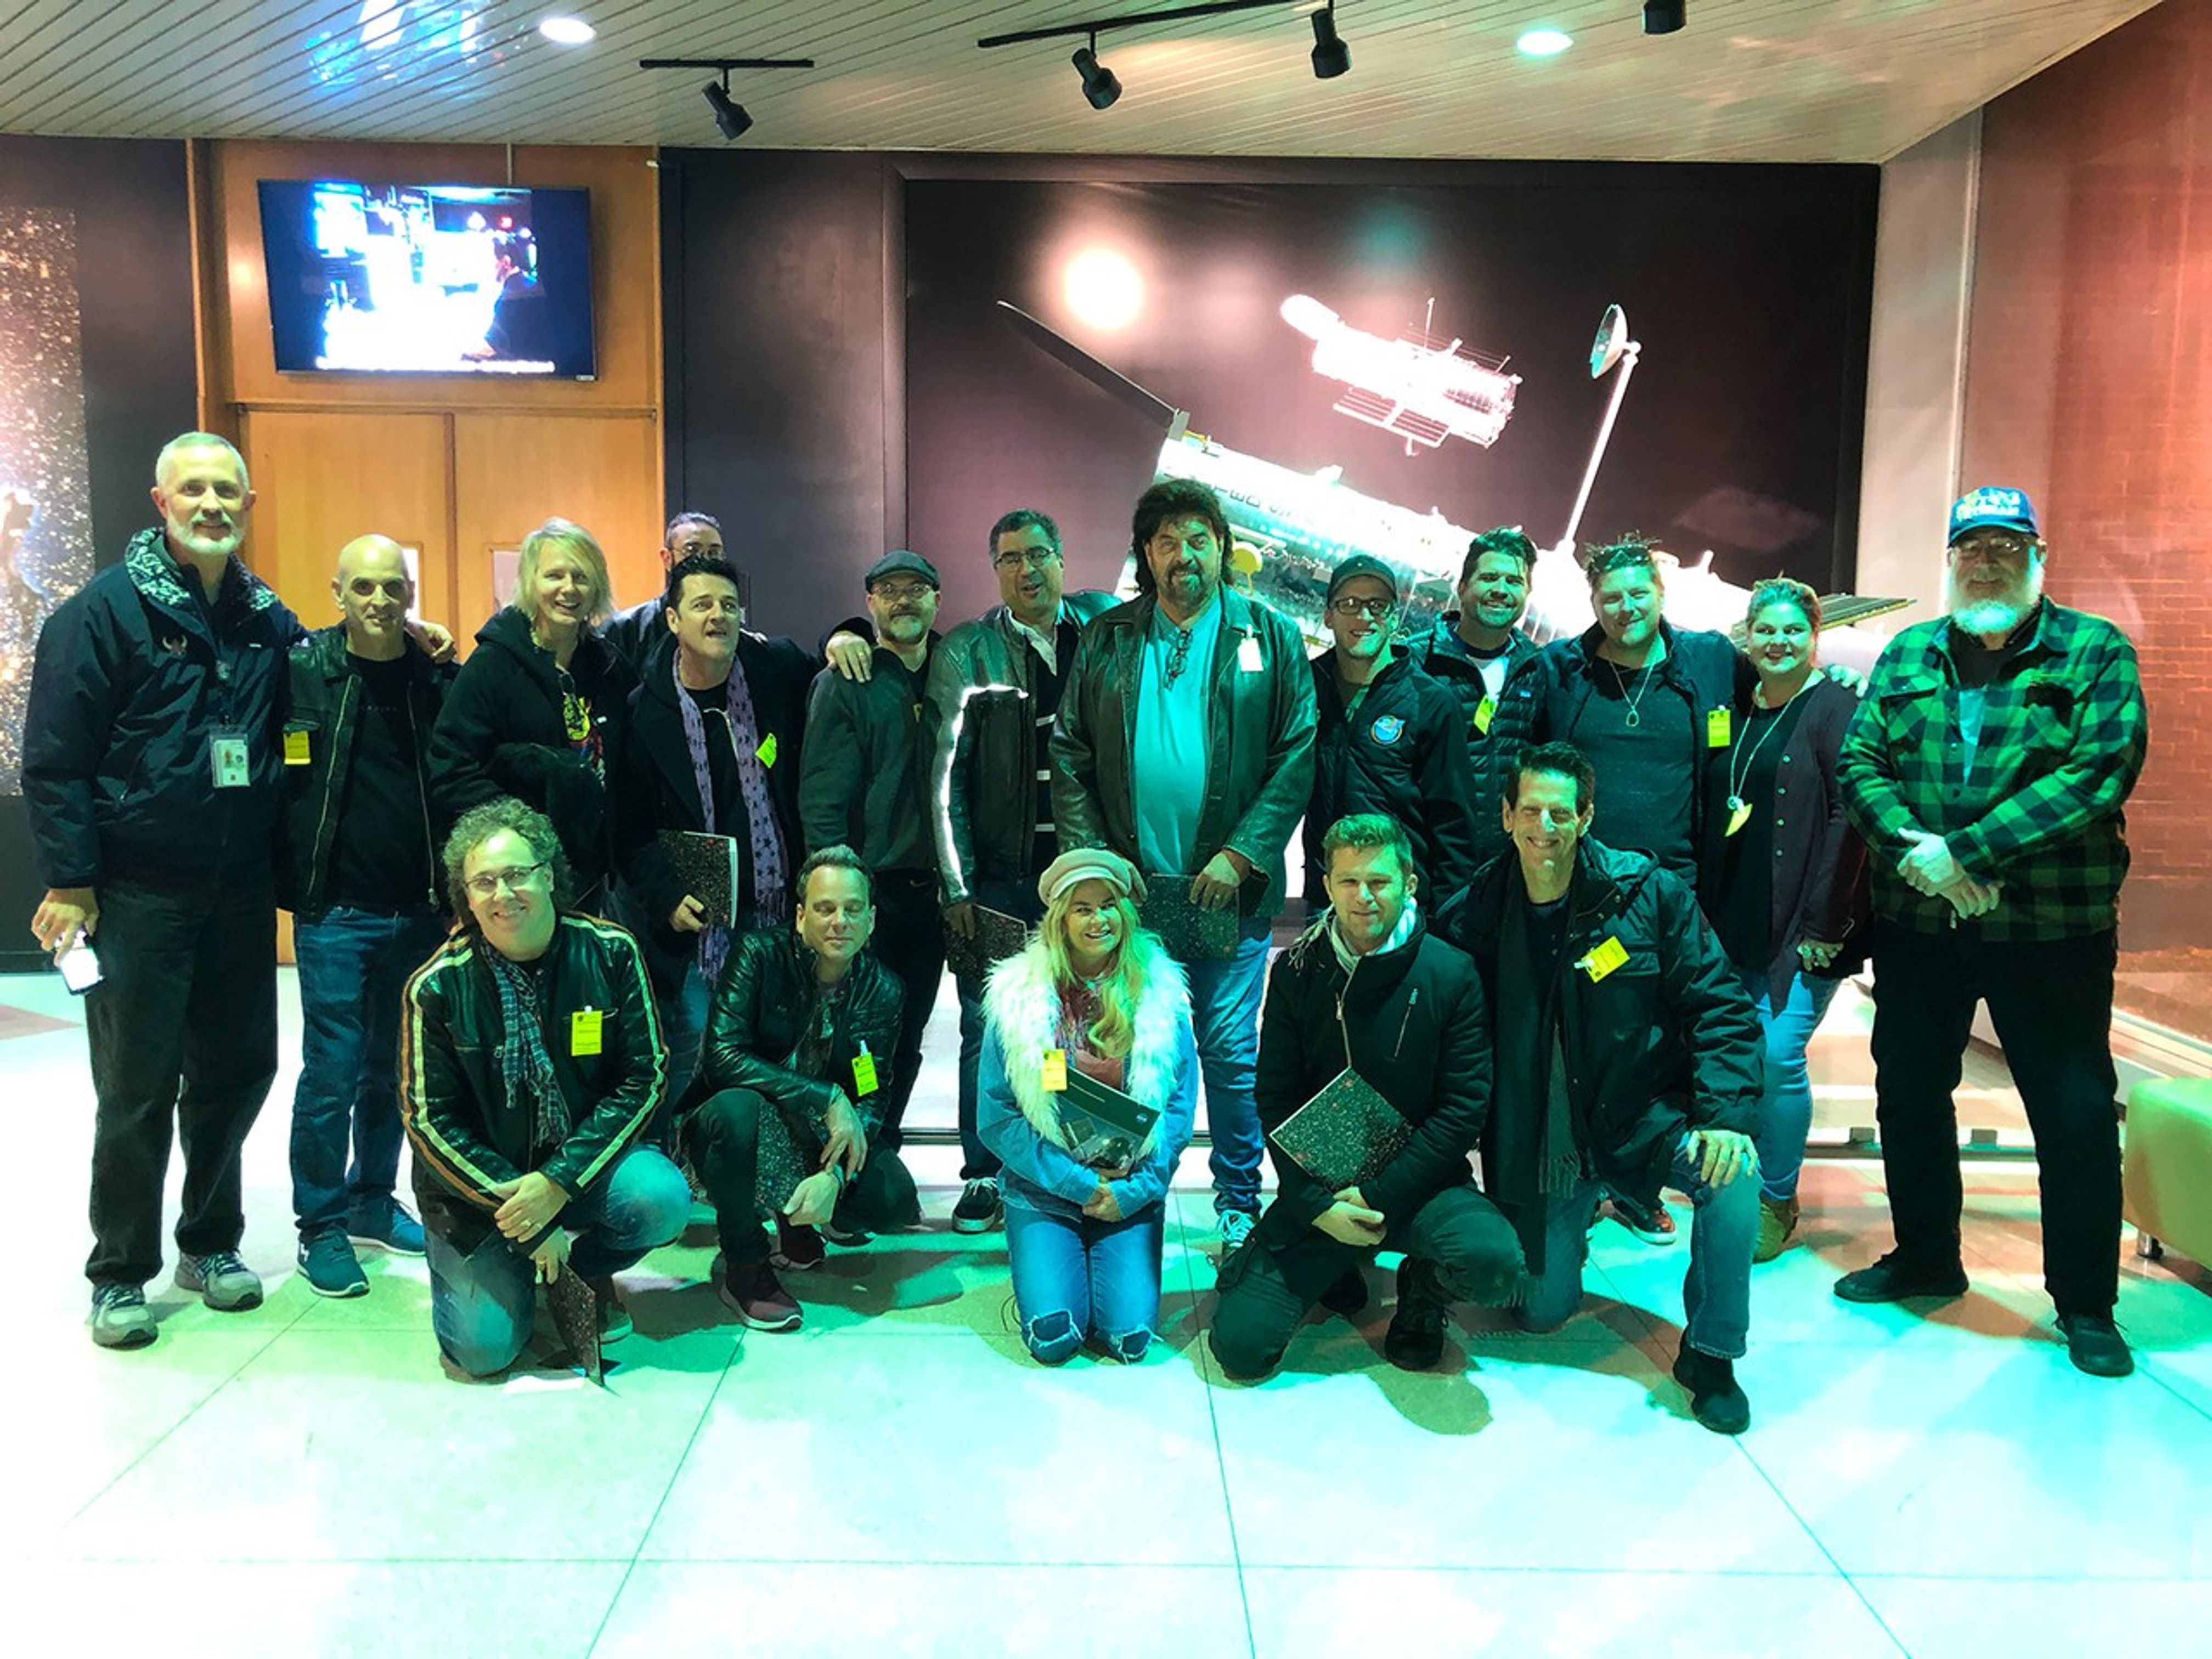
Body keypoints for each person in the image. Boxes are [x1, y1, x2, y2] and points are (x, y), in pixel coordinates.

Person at [1833, 487, 2148, 1379]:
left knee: (2074, 1113)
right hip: (1921, 924)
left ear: (2037, 554)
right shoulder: (1906, 654)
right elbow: (1861, 763)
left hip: (2052, 929)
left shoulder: (2093, 650)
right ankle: (1926, 1253)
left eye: (2005, 547)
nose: (1986, 561)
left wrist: (1965, 851)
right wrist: (1924, 859)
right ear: (1949, 559)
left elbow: (2100, 772)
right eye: (1970, 547)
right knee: (1909, 1092)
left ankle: (2084, 1300)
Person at [25, 433, 297, 1347]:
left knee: (236, 1070)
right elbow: (57, 760)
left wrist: (415, 646)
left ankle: (210, 1245)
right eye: (194, 489)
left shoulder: (266, 614)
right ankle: (120, 1269)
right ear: (160, 500)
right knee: (137, 1086)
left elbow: (323, 688)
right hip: (136, 891)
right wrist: (72, 878)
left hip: (237, 888)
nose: (212, 503)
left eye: (228, 489)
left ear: (249, 503)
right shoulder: (100, 614)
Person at [1436, 743, 1767, 1433]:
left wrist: (1726, 1115)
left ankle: (1711, 1355)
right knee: (1539, 1314)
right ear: (1505, 816)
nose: (1545, 827)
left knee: (1735, 1177)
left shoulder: (1647, 895)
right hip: (1538, 1144)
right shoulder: (1474, 913)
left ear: (1587, 817)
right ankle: (1576, 1215)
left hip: (1639, 1119)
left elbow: (1721, 1004)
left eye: (1562, 812)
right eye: (1531, 810)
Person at [1053, 478, 1318, 1250]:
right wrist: (1097, 862)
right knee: (1130, 1049)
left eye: (1198, 538)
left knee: (1229, 1052)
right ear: (1146, 554)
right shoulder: (1108, 638)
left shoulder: (1268, 637)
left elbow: (1296, 749)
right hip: (1131, 894)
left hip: (1225, 890)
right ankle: (1129, 1186)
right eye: (1166, 540)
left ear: (1222, 548)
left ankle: (1239, 1197)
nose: (1183, 554)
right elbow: (1070, 749)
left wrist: (1244, 852)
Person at [1210, 815, 1521, 1380]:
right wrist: (1316, 1206)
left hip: (1422, 1183)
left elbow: (1462, 1109)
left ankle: (1423, 1290)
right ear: (1327, 886)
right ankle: (1336, 1264)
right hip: (1323, 1186)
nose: (1363, 897)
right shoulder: (1299, 970)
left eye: (1379, 881)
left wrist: (1378, 1192)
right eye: (1349, 882)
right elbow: (1274, 1097)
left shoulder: (1451, 974)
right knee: (1239, 1349)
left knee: (1493, 1262)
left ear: (1409, 882)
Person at [399, 799, 689, 1378]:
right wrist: (522, 1210)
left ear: (550, 876)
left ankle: (578, 1269)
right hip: (479, 1197)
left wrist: (558, 1184)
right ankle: (521, 1272)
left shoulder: (611, 952)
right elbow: (431, 1122)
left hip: (579, 1168)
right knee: (484, 1354)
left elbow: (644, 1077)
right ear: (467, 895)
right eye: (484, 882)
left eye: (517, 874)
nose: (503, 894)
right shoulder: (435, 987)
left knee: (660, 1199)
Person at [1528, 537, 1750, 1247]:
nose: (1625, 608)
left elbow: (1774, 693)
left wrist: (1828, 688)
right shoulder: (1561, 671)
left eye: (1637, 593)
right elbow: (1518, 761)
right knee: (1580, 1041)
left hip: (1672, 900)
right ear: (1592, 602)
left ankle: (1637, 1183)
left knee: (1658, 1049)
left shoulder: (1709, 660)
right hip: (1581, 897)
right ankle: (1576, 1182)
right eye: (1610, 597)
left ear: (1660, 592)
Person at [928, 507, 1119, 1234]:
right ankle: (982, 1172)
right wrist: (957, 887)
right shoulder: (970, 653)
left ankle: (1081, 1158)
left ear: (1064, 559)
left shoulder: (1103, 632)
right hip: (1002, 880)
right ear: (996, 570)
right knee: (988, 1025)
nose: (1027, 569)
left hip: (1083, 878)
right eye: (1010, 558)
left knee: (1085, 1023)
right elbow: (943, 779)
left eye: (1040, 554)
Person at [279, 534, 455, 1296]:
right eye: (364, 588)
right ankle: (319, 1227)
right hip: (335, 914)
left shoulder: (431, 679)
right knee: (332, 1072)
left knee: (393, 1072)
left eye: (394, 586)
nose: (381, 601)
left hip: (416, 913)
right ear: (338, 591)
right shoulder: (301, 671)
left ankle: (372, 1200)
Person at [976, 849, 1197, 1364]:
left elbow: (1180, 1110)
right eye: (1082, 908)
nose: (1098, 920)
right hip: (1045, 1186)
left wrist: (1135, 1190)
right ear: (1060, 917)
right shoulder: (1018, 996)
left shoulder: (1162, 994)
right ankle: (1049, 1258)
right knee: (1054, 1338)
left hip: (1128, 1189)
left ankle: (1105, 1256)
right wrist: (1077, 1185)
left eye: (1107, 905)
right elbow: (997, 1114)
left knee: (1130, 1338)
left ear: (1126, 912)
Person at [687, 846, 923, 1329]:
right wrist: (826, 1096)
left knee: (894, 1199)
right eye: (825, 908)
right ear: (800, 916)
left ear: (872, 919)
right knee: (735, 1113)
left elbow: (874, 1093)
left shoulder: (884, 988)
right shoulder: (758, 956)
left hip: (816, 1137)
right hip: (744, 1121)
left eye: (853, 909)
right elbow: (723, 1057)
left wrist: (835, 1177)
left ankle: (800, 1220)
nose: (840, 921)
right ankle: (746, 1266)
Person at [1703, 579, 1868, 1261]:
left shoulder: (1833, 707)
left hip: (1806, 927)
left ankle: (1777, 1195)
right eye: (1766, 631)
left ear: (1814, 636)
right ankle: (1732, 1188)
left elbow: (1847, 818)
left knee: (1777, 1056)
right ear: (1748, 634)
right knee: (1739, 1057)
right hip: (1737, 918)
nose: (1778, 642)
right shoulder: (1737, 709)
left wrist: (1825, 924)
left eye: (1792, 631)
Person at [613, 551, 816, 1098]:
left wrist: (847, 634)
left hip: (776, 909)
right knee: (696, 1050)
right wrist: (666, 894)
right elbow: (628, 829)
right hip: (696, 925)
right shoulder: (642, 711)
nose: (718, 616)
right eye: (702, 605)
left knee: (776, 1046)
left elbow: (829, 663)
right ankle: (686, 1172)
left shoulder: (775, 672)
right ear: (673, 619)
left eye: (729, 605)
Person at [798, 550, 946, 1149]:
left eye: (917, 588)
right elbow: (821, 797)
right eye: (889, 590)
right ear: (870, 602)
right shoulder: (844, 683)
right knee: (852, 1033)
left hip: (937, 895)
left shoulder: (956, 666)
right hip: (867, 894)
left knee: (908, 1033)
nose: (903, 600)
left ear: (937, 597)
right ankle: (835, 1156)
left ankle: (880, 1149)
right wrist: (836, 897)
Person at [429, 516, 635, 905]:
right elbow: (450, 768)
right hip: (513, 880)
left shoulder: (611, 668)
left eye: (581, 577)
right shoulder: (493, 665)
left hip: (590, 880)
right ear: (530, 582)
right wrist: (524, 830)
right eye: (554, 575)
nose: (568, 589)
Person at [1304, 553, 1480, 901]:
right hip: (1327, 892)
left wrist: (1446, 920)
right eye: (1350, 603)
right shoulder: (1307, 686)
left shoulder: (1431, 701)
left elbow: (1453, 824)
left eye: (1377, 605)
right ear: (1328, 615)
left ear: (1394, 617)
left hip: (1398, 901)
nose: (1364, 615)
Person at [1400, 527, 1547, 867]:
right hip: (1422, 863)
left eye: (1514, 581)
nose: (1501, 590)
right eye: (1490, 577)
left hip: (1501, 871)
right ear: (1463, 587)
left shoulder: (1539, 669)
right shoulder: (1414, 661)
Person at [600, 511, 730, 672]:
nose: (704, 561)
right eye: (692, 551)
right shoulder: (624, 630)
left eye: (714, 553)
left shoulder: (728, 625)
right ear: (667, 558)